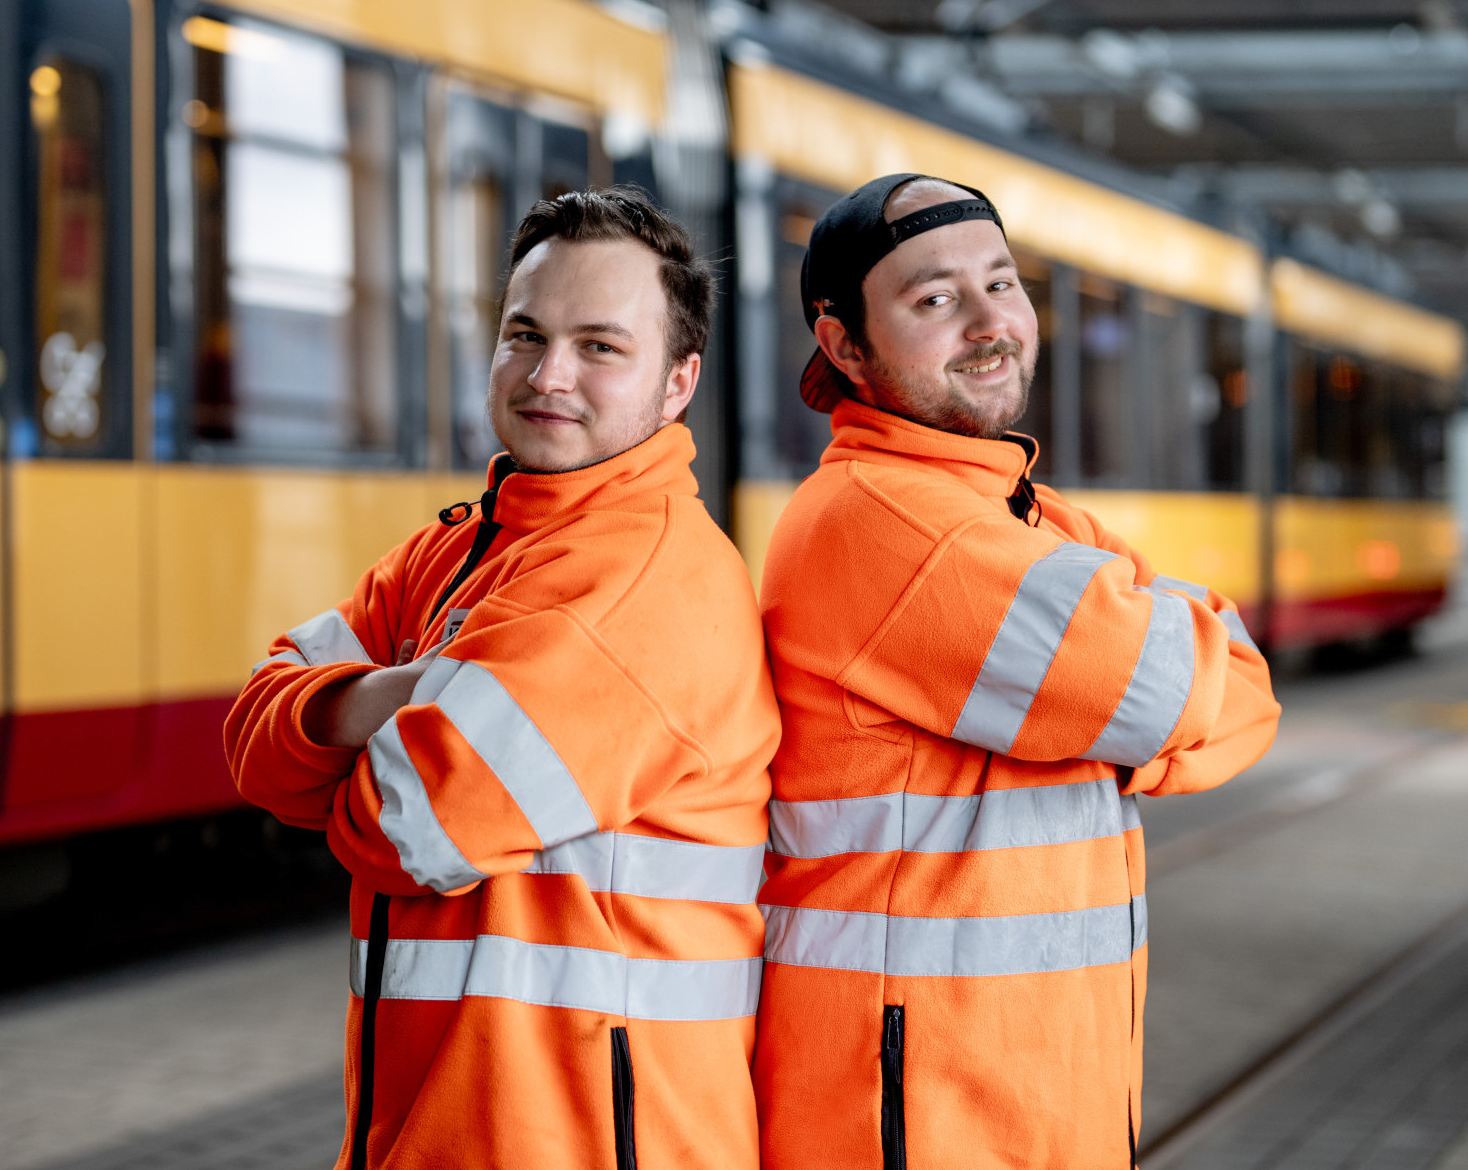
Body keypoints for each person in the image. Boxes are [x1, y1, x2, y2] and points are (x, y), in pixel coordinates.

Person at [225, 187, 778, 1170]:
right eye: (526, 334)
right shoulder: (455, 549)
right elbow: (252, 744)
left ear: (677, 383)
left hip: (591, 1141)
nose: (548, 374)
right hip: (435, 1131)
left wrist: (354, 717)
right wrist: (421, 691)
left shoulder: (649, 576)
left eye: (600, 346)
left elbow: (402, 826)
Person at [752, 174, 1282, 1169]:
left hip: (1029, 1089)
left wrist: (1117, 731)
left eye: (1002, 283)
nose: (990, 323)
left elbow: (1248, 695)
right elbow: (1179, 687)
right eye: (934, 298)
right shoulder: (892, 522)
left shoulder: (1026, 513)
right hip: (914, 1114)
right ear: (844, 345)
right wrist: (1130, 726)